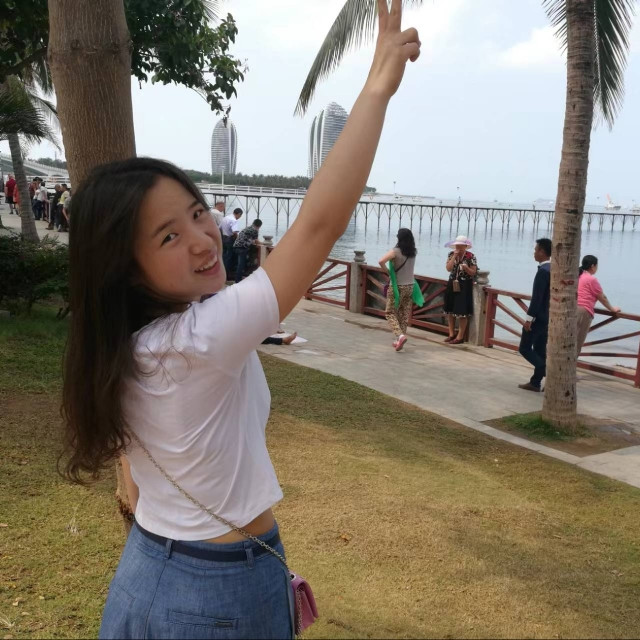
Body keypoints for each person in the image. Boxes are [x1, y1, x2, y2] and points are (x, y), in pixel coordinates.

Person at [61, 4, 420, 638]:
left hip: (149, 567)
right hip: (216, 592)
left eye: (198, 213)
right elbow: (318, 225)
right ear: (125, 268)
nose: (203, 240)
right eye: (168, 236)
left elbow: (134, 468)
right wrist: (377, 88)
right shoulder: (198, 340)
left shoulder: (126, 344)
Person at [518, 238, 552, 392]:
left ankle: (546, 370)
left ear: (542, 252)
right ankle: (535, 382)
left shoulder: (543, 271)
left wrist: (529, 319)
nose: (534, 253)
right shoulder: (553, 269)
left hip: (539, 317)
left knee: (524, 348)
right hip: (549, 317)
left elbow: (537, 298)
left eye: (536, 250)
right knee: (539, 350)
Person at [378, 228, 417, 351]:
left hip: (397, 286)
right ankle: (399, 339)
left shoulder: (396, 251)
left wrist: (389, 272)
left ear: (399, 238)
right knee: (403, 314)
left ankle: (400, 336)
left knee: (389, 312)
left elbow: (381, 261)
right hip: (410, 286)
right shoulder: (413, 252)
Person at [576, 255, 620, 357]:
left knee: (569, 339)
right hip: (583, 311)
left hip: (572, 308)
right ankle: (571, 365)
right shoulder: (591, 279)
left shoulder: (578, 275)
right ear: (593, 266)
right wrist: (612, 309)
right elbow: (602, 297)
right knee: (577, 341)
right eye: (597, 265)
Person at [443, 235, 477, 344]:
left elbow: (473, 272)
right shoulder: (451, 254)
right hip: (452, 282)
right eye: (457, 245)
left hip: (464, 284)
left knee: (462, 311)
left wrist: (466, 268)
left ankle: (460, 336)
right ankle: (451, 334)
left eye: (461, 245)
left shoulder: (471, 256)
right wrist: (454, 257)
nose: (458, 247)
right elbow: (448, 269)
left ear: (465, 246)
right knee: (450, 309)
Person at [233, 218, 263, 283]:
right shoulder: (254, 230)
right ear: (259, 226)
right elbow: (257, 241)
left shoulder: (247, 228)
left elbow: (249, 239)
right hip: (242, 248)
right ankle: (238, 280)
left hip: (236, 246)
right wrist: (263, 243)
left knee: (240, 264)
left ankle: (238, 278)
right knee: (241, 265)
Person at [220, 207, 243, 276]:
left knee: (223, 256)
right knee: (229, 257)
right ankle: (227, 274)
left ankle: (222, 273)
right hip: (230, 239)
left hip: (223, 239)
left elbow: (219, 228)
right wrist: (239, 239)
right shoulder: (234, 220)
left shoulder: (225, 218)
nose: (239, 217)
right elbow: (234, 232)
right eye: (240, 216)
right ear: (239, 214)